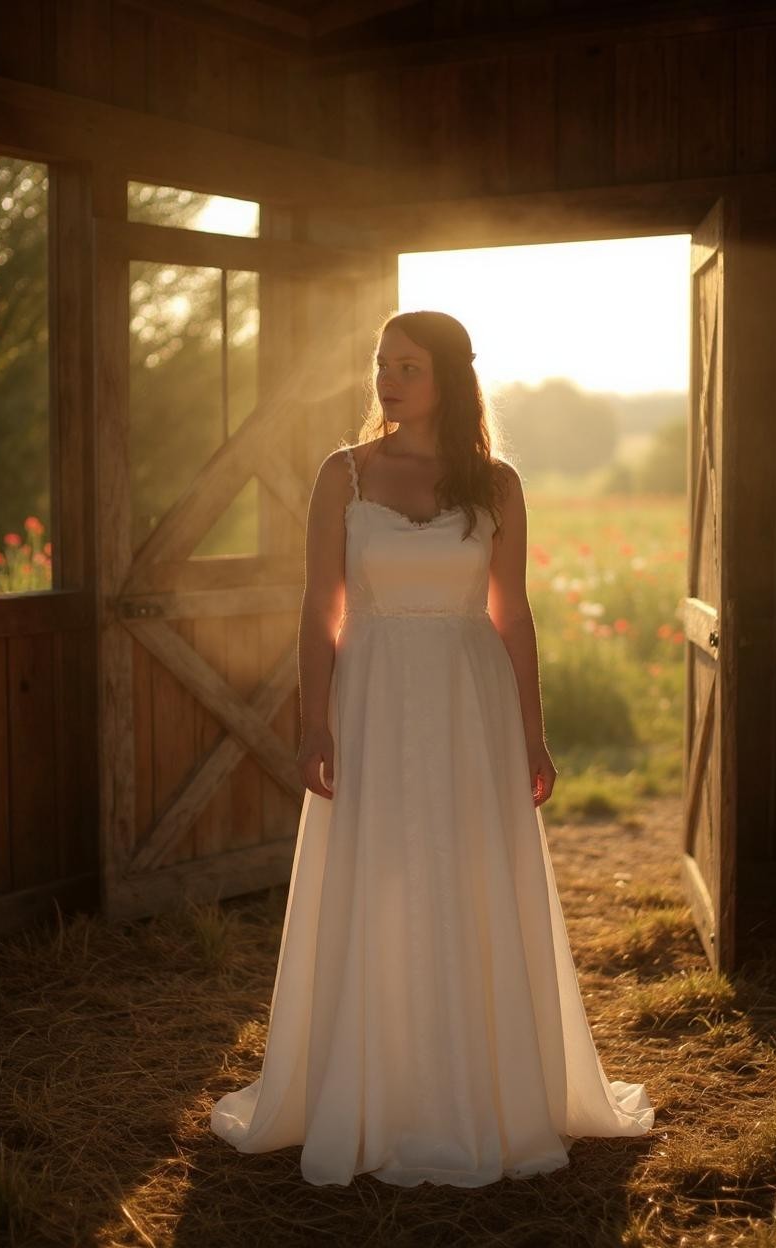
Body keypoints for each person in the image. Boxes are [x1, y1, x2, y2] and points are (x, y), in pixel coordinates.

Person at [210, 309, 655, 1186]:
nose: (388, 379)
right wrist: (314, 720)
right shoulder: (344, 475)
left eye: (408, 366)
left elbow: (512, 614)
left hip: (468, 704)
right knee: (377, 880)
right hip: (372, 698)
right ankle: (376, 1091)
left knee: (466, 878)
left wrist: (534, 733)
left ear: (447, 377)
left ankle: (477, 1092)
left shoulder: (498, 485)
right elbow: (318, 609)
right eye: (382, 363)